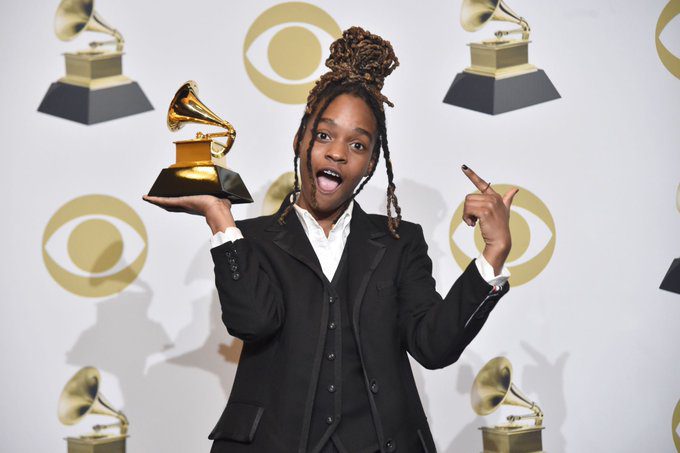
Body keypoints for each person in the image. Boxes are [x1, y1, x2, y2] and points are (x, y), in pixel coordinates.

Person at [145, 26, 518, 453]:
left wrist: (492, 255)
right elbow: (253, 322)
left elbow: (433, 346)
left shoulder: (400, 243)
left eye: (357, 145)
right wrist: (220, 218)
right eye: (324, 135)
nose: (337, 152)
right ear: (301, 138)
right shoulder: (250, 240)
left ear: (371, 162)